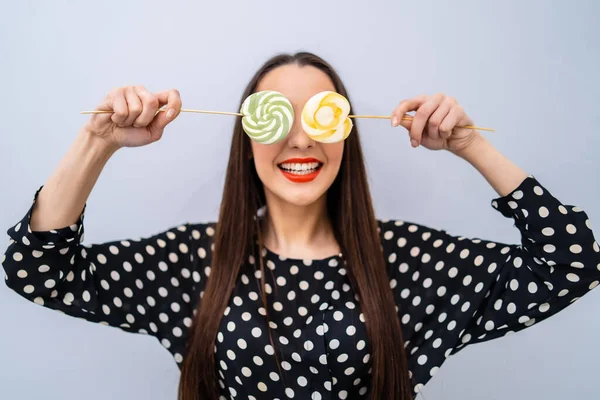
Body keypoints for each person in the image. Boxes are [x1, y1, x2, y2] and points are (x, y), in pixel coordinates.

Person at [2, 52, 599, 400]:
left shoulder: (408, 262)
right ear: (247, 133)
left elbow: (573, 262)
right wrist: (98, 141)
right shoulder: (195, 262)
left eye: (321, 115)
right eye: (275, 117)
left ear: (345, 129)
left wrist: (471, 145)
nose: (301, 138)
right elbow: (37, 271)